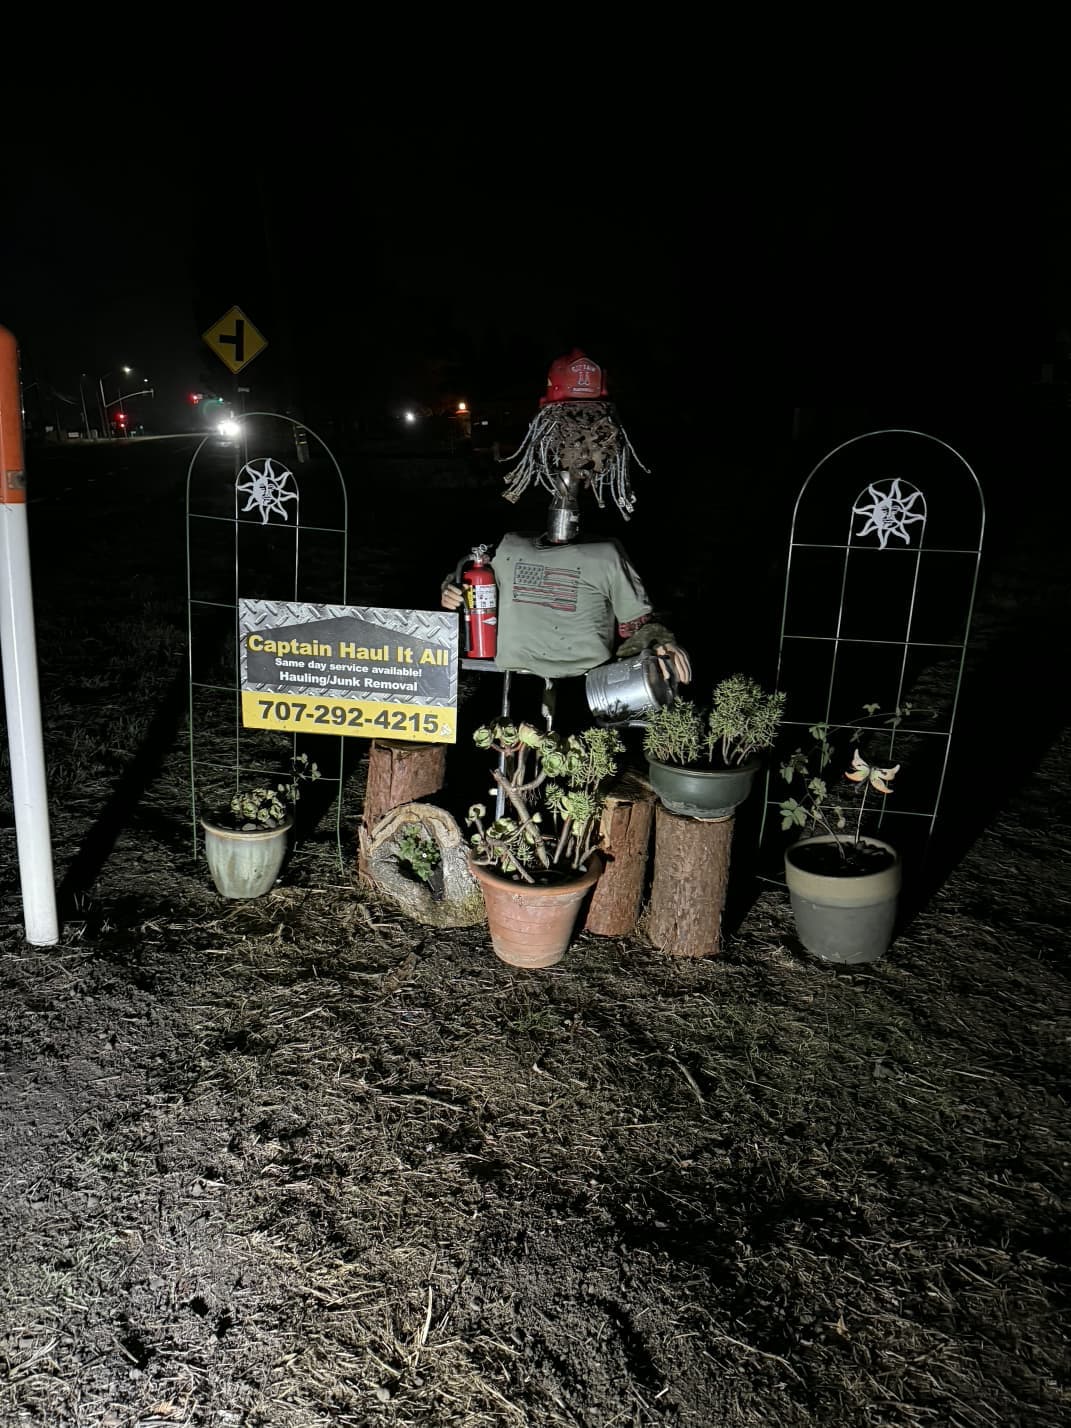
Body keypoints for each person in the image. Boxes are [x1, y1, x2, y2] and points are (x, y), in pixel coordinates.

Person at [441, 351, 690, 724]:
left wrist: (658, 641)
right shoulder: (510, 542)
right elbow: (472, 581)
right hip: (512, 681)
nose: (579, 451)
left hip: (587, 686)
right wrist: (452, 588)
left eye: (591, 435)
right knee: (512, 755)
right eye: (568, 437)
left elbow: (638, 625)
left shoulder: (606, 553)